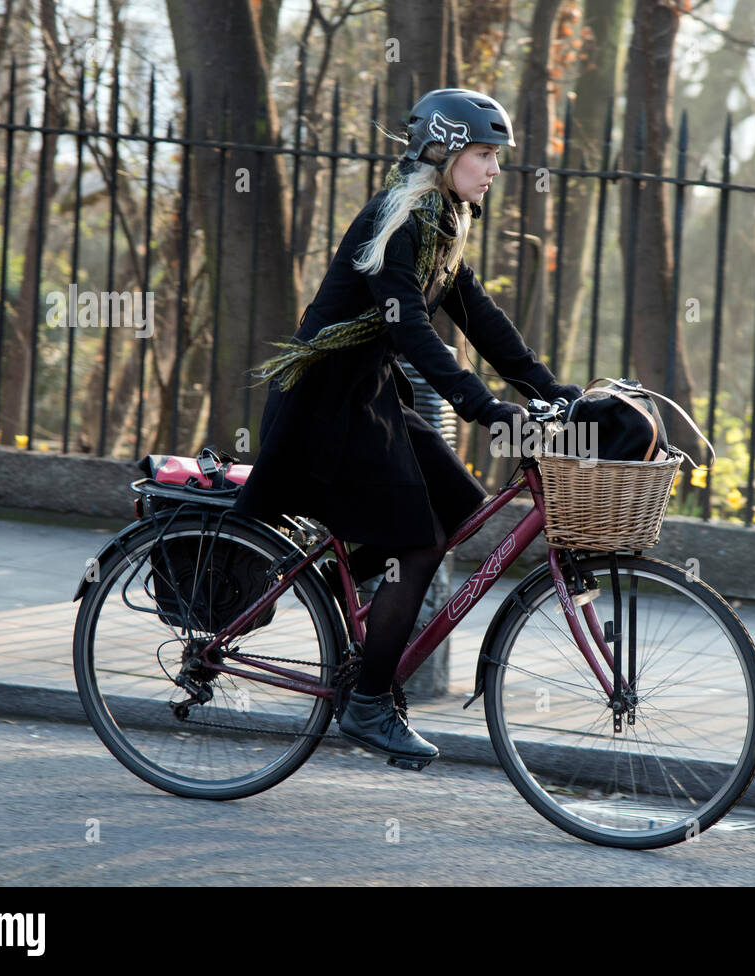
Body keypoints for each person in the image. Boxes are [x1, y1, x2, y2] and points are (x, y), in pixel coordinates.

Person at [233, 88, 582, 766]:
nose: (494, 170)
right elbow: (412, 330)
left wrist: (551, 390)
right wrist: (483, 407)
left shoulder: (443, 219)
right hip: (325, 408)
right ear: (443, 151)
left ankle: (352, 603)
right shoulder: (399, 220)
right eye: (484, 155)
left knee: (461, 507)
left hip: (368, 399)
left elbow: (479, 318)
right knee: (419, 546)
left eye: (496, 157)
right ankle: (367, 703)